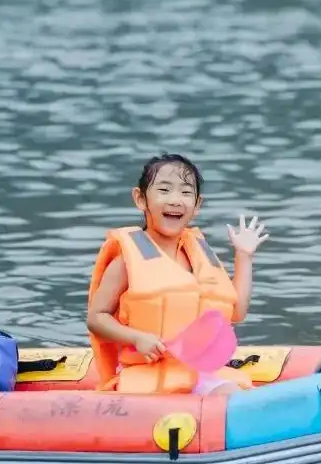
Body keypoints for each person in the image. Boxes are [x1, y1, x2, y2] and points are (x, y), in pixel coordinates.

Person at [87, 153, 269, 395]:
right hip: (147, 375)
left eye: (185, 193)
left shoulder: (199, 256)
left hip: (199, 371)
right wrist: (136, 338)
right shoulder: (126, 261)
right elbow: (96, 318)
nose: (175, 200)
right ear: (140, 199)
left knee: (237, 394)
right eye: (164, 190)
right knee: (234, 397)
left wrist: (244, 256)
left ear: (197, 205)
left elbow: (237, 312)